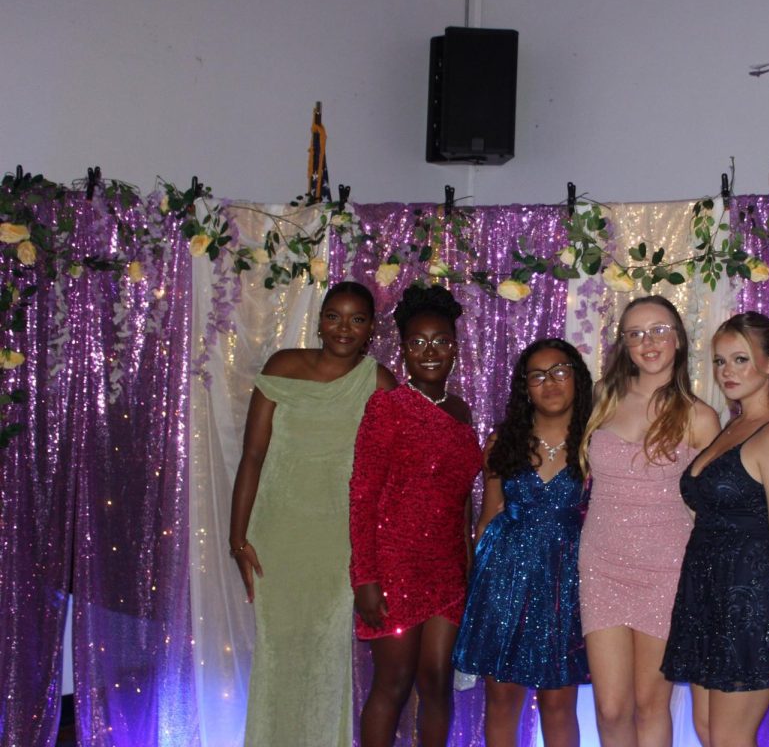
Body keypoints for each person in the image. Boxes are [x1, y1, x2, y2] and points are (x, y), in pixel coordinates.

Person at [228, 280, 397, 747]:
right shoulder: (283, 366)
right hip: (277, 535)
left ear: (371, 329)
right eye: (333, 316)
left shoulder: (380, 382)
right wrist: (237, 539)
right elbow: (253, 456)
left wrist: (377, 557)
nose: (344, 328)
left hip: (339, 541)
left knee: (324, 656)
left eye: (357, 319)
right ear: (320, 320)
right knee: (277, 654)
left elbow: (389, 476)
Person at [661, 311, 769, 746]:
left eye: (740, 359)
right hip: (707, 594)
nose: (727, 372)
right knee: (708, 732)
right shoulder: (733, 425)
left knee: (730, 739)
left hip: (750, 600)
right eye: (719, 362)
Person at [578, 295, 721, 747]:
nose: (648, 342)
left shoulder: (699, 417)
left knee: (649, 704)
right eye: (636, 334)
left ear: (678, 339)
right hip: (601, 566)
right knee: (610, 706)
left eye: (659, 330)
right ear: (624, 345)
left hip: (667, 572)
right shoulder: (601, 397)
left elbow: (713, 509)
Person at [350, 283, 483, 747]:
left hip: (447, 571)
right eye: (418, 343)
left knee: (437, 681)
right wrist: (364, 577)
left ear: (455, 348)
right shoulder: (386, 408)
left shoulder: (463, 412)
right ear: (402, 349)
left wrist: (469, 568)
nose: (430, 352)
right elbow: (362, 495)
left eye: (442, 341)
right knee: (394, 681)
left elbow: (465, 501)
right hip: (393, 567)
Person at [452, 338, 594, 747]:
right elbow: (489, 515)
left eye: (560, 372)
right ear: (525, 387)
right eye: (538, 376)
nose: (550, 383)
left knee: (558, 704)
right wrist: (477, 593)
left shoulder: (596, 442)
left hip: (564, 585)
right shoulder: (503, 442)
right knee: (501, 700)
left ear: (576, 379)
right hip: (504, 581)